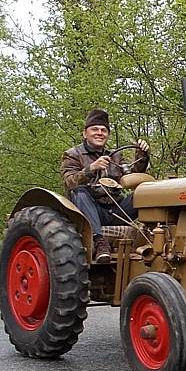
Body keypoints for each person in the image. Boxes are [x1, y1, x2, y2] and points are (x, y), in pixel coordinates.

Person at [60, 108, 150, 263]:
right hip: (89, 210)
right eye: (94, 129)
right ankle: (100, 242)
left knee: (143, 193)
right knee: (79, 191)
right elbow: (69, 182)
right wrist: (91, 168)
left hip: (115, 209)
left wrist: (141, 155)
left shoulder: (115, 155)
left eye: (103, 130)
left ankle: (152, 236)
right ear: (85, 133)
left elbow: (131, 176)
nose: (99, 133)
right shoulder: (73, 154)